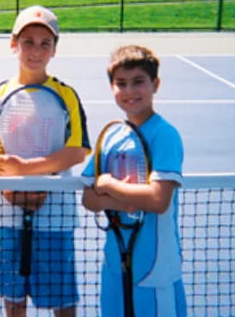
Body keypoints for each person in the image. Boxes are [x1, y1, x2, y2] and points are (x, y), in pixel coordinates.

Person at [0, 5, 91, 317]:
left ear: (54, 50)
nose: (36, 50)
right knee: (13, 302)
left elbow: (77, 150)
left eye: (45, 43)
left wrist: (27, 173)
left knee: (61, 302)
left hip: (55, 215)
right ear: (13, 44)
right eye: (28, 41)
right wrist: (9, 189)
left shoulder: (66, 95)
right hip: (5, 215)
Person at [81, 45, 187, 317]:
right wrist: (124, 196)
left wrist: (108, 185)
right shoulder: (111, 137)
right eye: (121, 84)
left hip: (155, 268)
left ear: (156, 84)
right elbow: (89, 199)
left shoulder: (164, 135)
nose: (129, 91)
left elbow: (158, 200)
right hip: (115, 264)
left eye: (138, 82)